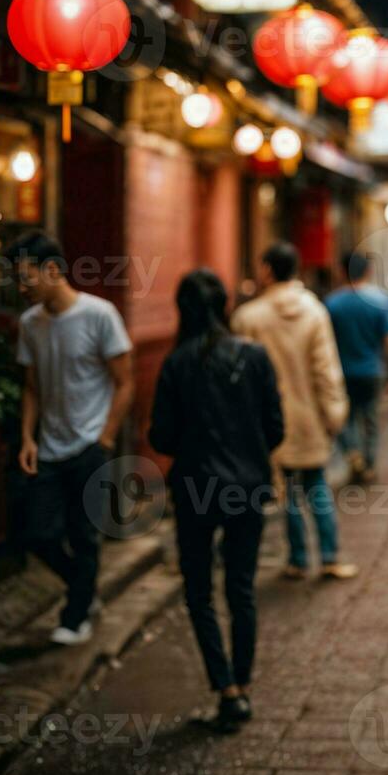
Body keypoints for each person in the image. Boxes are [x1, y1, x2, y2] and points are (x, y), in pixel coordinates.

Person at [149, 270, 283, 731]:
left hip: (194, 490)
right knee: (241, 588)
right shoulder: (255, 356)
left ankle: (224, 687)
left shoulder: (176, 362)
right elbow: (275, 428)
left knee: (199, 591)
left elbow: (161, 437)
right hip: (247, 487)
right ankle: (242, 686)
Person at [11, 231, 134, 646]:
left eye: (26, 277)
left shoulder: (100, 315)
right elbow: (31, 386)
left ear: (51, 270)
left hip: (89, 446)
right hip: (48, 446)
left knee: (84, 536)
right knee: (37, 534)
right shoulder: (31, 324)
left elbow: (125, 381)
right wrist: (28, 438)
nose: (21, 286)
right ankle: (84, 589)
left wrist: (105, 438)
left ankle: (75, 614)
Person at [231, 243, 358, 580]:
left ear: (269, 270)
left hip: (267, 421)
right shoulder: (314, 311)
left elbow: (239, 378)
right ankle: (329, 555)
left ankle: (298, 559)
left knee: (286, 491)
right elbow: (325, 369)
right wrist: (334, 414)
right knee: (317, 486)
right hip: (309, 417)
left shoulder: (248, 318)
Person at [325, 250, 388, 484]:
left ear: (342, 271)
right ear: (367, 271)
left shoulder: (332, 303)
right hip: (371, 371)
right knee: (370, 419)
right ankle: (368, 464)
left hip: (341, 372)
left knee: (344, 419)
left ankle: (352, 453)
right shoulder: (380, 301)